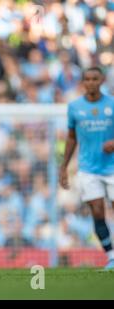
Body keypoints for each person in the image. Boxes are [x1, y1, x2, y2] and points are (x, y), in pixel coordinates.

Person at [59, 66, 114, 270]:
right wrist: (64, 166)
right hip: (88, 169)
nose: (91, 82)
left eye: (95, 78)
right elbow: (71, 137)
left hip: (112, 167)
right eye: (87, 79)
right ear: (83, 82)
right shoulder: (75, 107)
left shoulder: (112, 104)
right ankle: (111, 257)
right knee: (98, 212)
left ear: (101, 81)